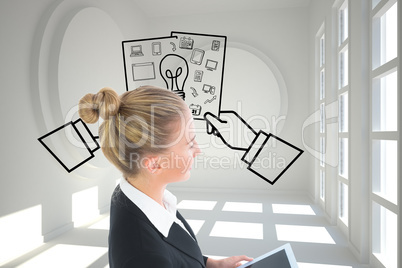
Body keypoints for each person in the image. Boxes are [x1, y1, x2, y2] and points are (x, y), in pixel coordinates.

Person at [78, 86, 252, 268]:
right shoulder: (143, 258)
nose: (198, 150)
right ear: (154, 164)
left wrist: (211, 264)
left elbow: (177, 253)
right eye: (190, 143)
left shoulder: (134, 192)